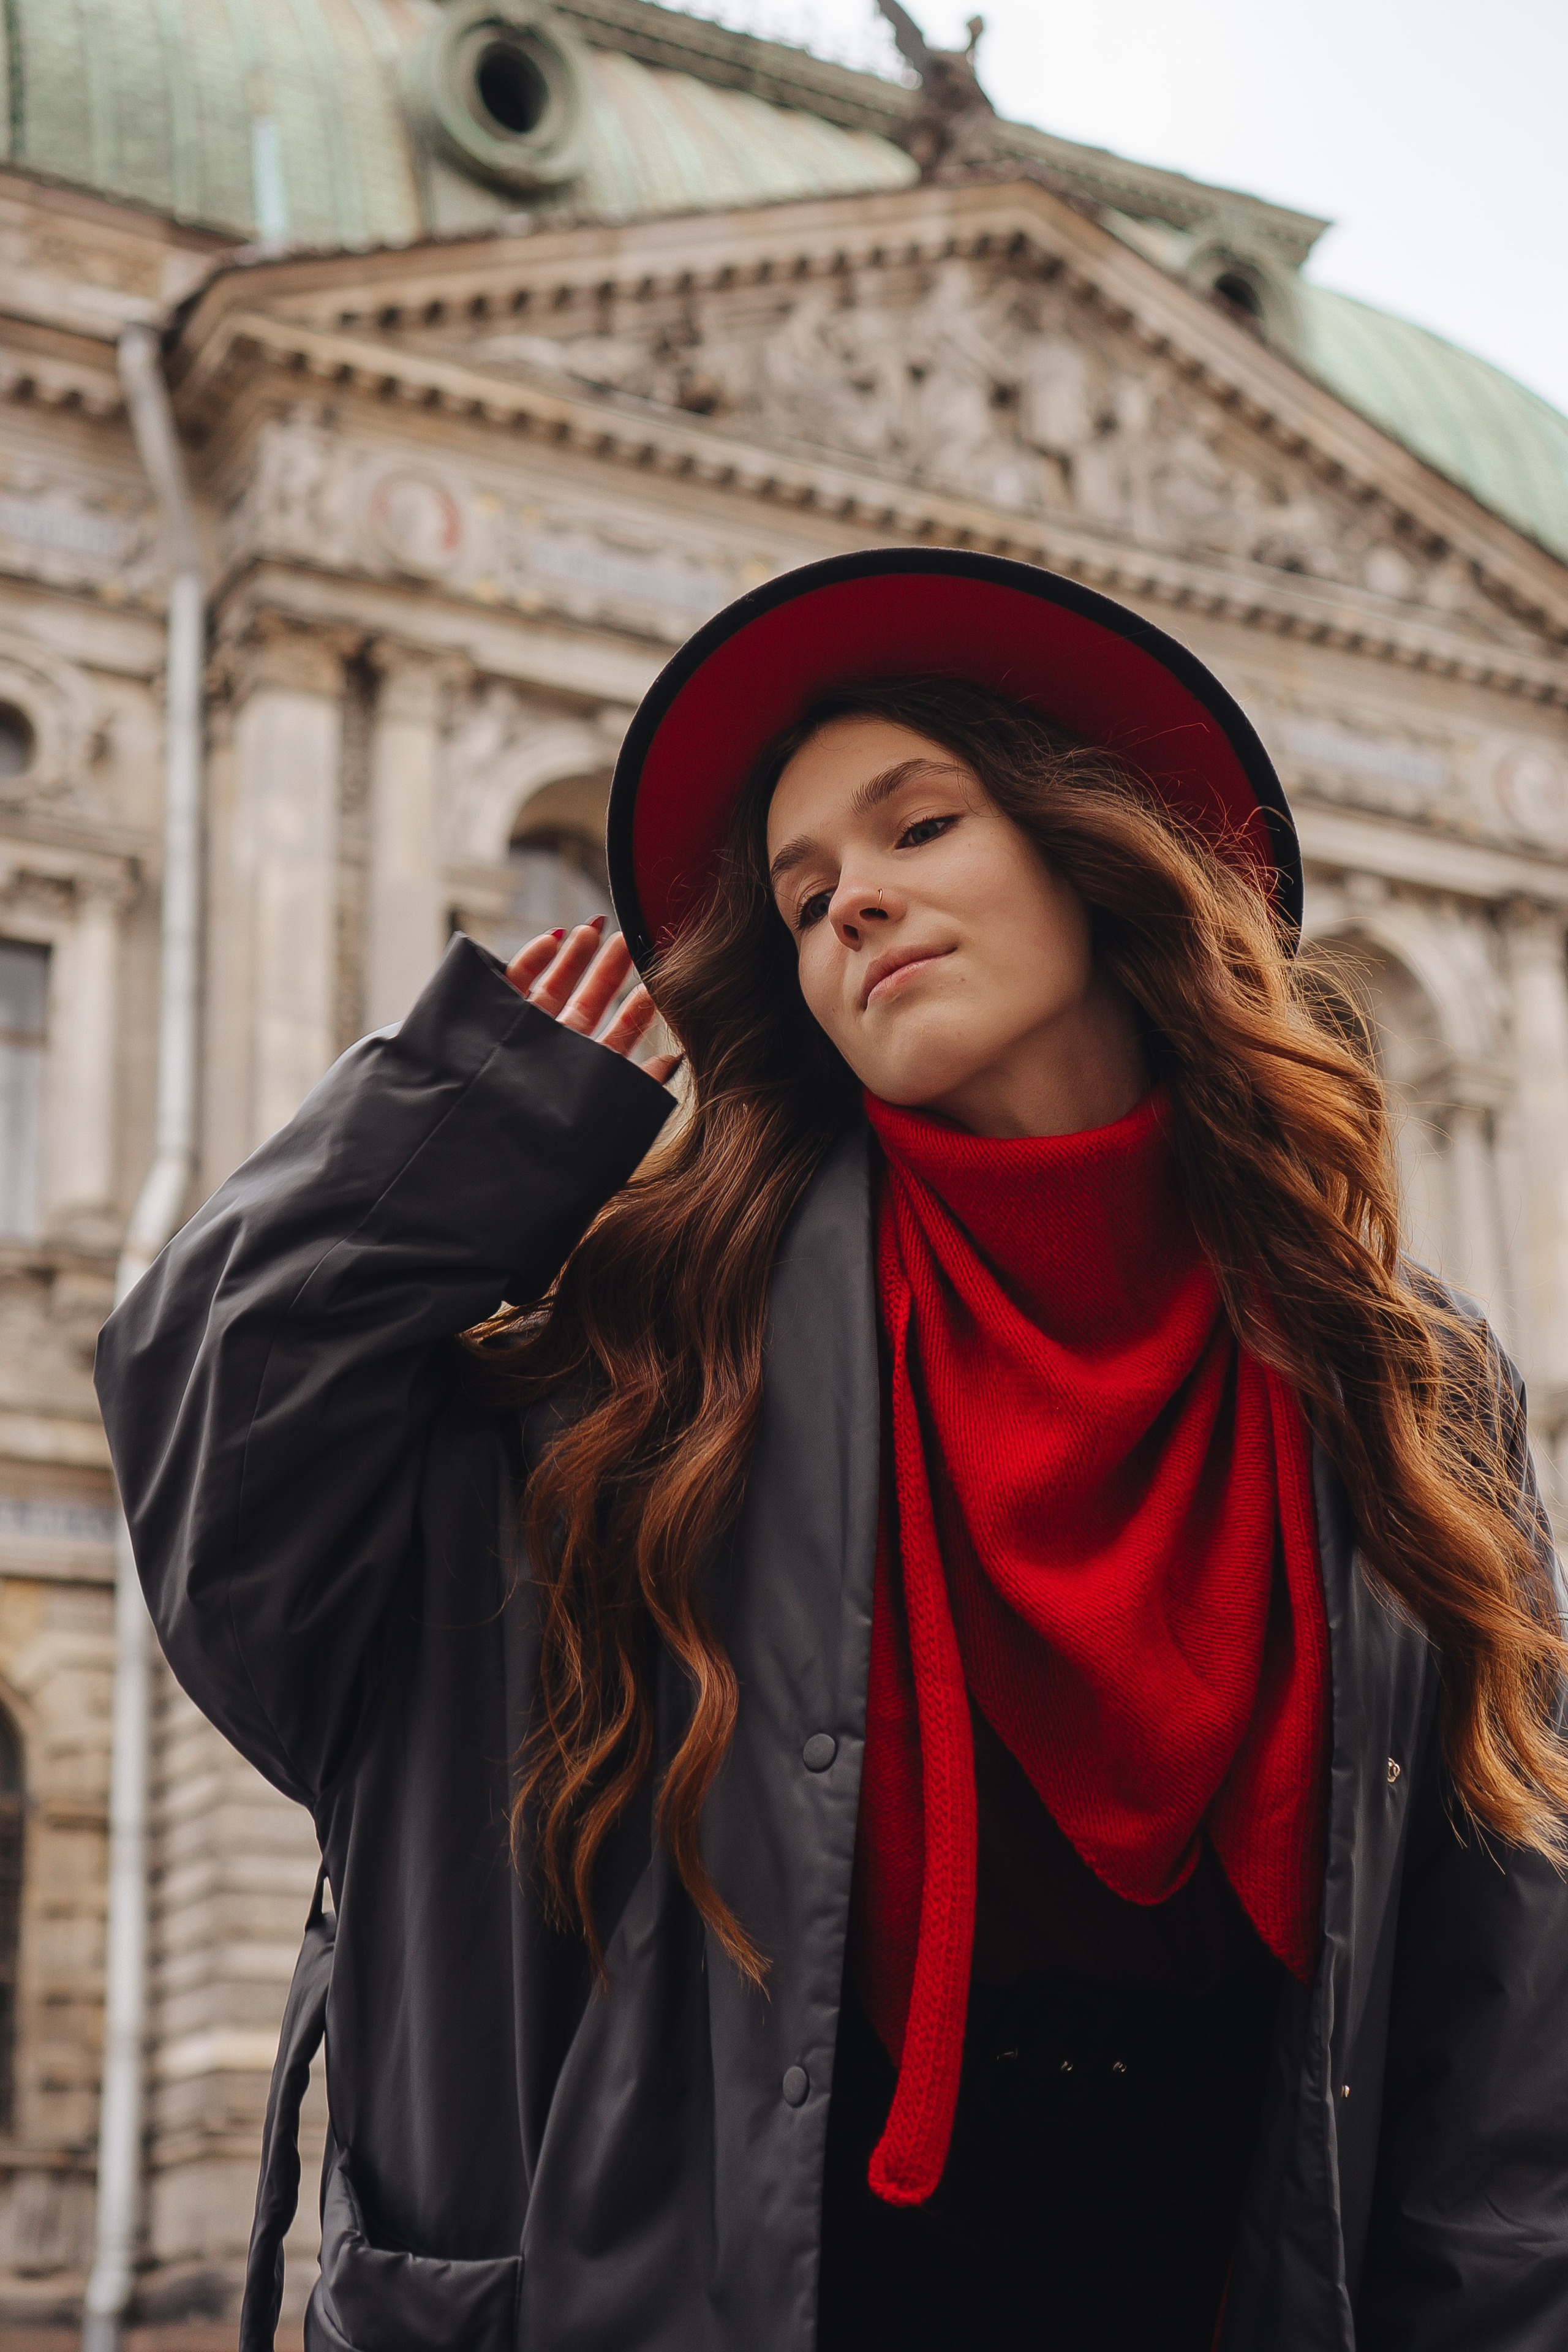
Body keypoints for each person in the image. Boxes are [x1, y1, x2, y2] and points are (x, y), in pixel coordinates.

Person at [96, 551, 1568, 2352]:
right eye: (800, 899)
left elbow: (1501, 2029)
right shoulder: (651, 1359)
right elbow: (228, 1483)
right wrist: (472, 1124)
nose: (852, 904)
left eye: (918, 827)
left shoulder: (1410, 1390)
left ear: (1095, 854)